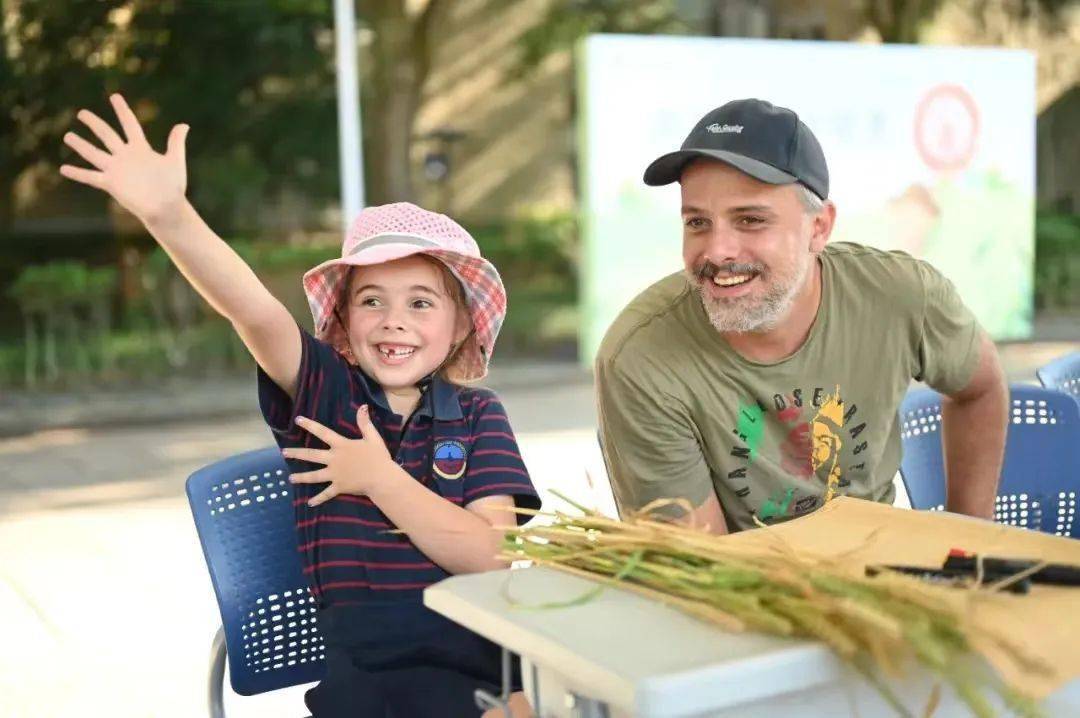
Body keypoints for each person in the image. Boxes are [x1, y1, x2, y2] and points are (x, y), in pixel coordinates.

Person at [60, 94, 540, 717]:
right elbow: (252, 310)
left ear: (459, 329)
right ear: (341, 320)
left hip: (483, 671)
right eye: (372, 301)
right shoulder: (325, 395)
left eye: (421, 303)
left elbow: (491, 556)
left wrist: (379, 479)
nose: (395, 321)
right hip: (366, 686)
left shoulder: (479, 417)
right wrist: (169, 216)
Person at [595, 98, 1008, 534]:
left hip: (882, 569)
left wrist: (970, 540)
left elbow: (980, 387)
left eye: (750, 220)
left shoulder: (902, 295)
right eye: (697, 223)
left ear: (819, 228)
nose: (717, 251)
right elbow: (702, 563)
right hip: (743, 589)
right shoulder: (639, 357)